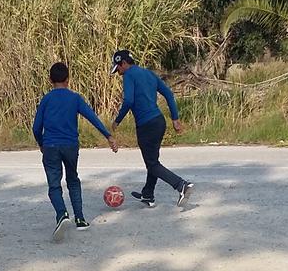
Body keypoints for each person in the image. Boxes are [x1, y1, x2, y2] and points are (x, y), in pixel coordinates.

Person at [32, 62, 119, 242]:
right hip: (71, 146)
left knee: (54, 184)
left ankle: (62, 214)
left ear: (50, 80)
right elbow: (92, 118)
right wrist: (108, 136)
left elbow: (36, 127)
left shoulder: (46, 99)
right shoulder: (75, 98)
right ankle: (80, 218)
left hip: (50, 146)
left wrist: (41, 142)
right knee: (72, 179)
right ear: (68, 79)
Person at [109, 49, 194, 208]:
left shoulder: (129, 75)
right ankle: (148, 194)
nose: (118, 72)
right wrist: (175, 119)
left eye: (118, 68)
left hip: (145, 125)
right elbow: (168, 94)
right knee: (152, 160)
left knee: (152, 164)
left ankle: (181, 185)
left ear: (124, 63)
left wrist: (117, 121)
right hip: (159, 121)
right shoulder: (149, 73)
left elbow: (128, 101)